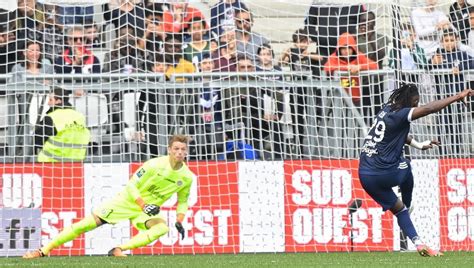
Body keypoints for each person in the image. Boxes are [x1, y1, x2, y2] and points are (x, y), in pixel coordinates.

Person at [23, 134, 195, 258]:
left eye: (183, 149)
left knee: (162, 228)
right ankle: (43, 250)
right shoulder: (154, 164)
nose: (179, 152)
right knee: (85, 225)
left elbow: (182, 201)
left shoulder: (186, 176)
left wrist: (179, 219)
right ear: (169, 150)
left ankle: (119, 249)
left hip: (146, 212)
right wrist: (143, 204)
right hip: (127, 202)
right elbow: (131, 185)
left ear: (186, 152)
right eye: (176, 148)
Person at [359, 83, 474, 257]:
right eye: (415, 102)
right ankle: (409, 201)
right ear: (410, 101)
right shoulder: (403, 113)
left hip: (365, 175)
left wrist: (419, 145)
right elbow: (429, 108)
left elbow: (397, 133)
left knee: (399, 211)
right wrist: (457, 96)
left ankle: (419, 244)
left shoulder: (386, 109)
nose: (416, 105)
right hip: (383, 172)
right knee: (406, 164)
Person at [34, 86, 91, 163]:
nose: (48, 103)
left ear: (59, 101)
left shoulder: (51, 117)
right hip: (76, 162)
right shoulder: (79, 116)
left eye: (51, 100)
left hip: (51, 162)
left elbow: (37, 140)